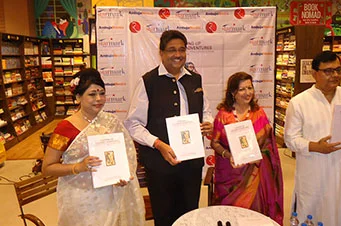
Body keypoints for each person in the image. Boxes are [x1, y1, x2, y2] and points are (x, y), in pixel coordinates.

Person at [124, 30, 213, 226]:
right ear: (161, 53)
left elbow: (205, 110)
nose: (178, 54)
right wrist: (158, 144)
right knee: (164, 215)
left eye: (182, 49)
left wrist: (208, 122)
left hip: (191, 161)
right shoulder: (148, 82)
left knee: (190, 212)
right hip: (159, 163)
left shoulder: (195, 79)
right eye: (172, 50)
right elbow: (133, 124)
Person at [42, 68, 145, 226]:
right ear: (78, 97)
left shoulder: (111, 121)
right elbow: (47, 167)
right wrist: (78, 167)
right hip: (80, 197)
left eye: (102, 93)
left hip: (112, 193)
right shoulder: (65, 128)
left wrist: (124, 175)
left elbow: (127, 154)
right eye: (92, 94)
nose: (99, 99)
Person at [284, 51, 341, 226]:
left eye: (338, 70)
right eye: (328, 71)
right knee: (313, 210)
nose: (335, 75)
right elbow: (290, 139)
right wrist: (314, 146)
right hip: (314, 171)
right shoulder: (299, 102)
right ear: (314, 73)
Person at [211, 72, 283, 225]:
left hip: (255, 173)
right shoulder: (223, 115)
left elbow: (269, 145)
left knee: (253, 215)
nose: (248, 92)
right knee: (231, 215)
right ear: (233, 92)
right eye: (242, 89)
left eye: (250, 88)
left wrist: (261, 156)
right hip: (230, 173)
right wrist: (228, 154)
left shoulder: (259, 114)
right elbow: (215, 143)